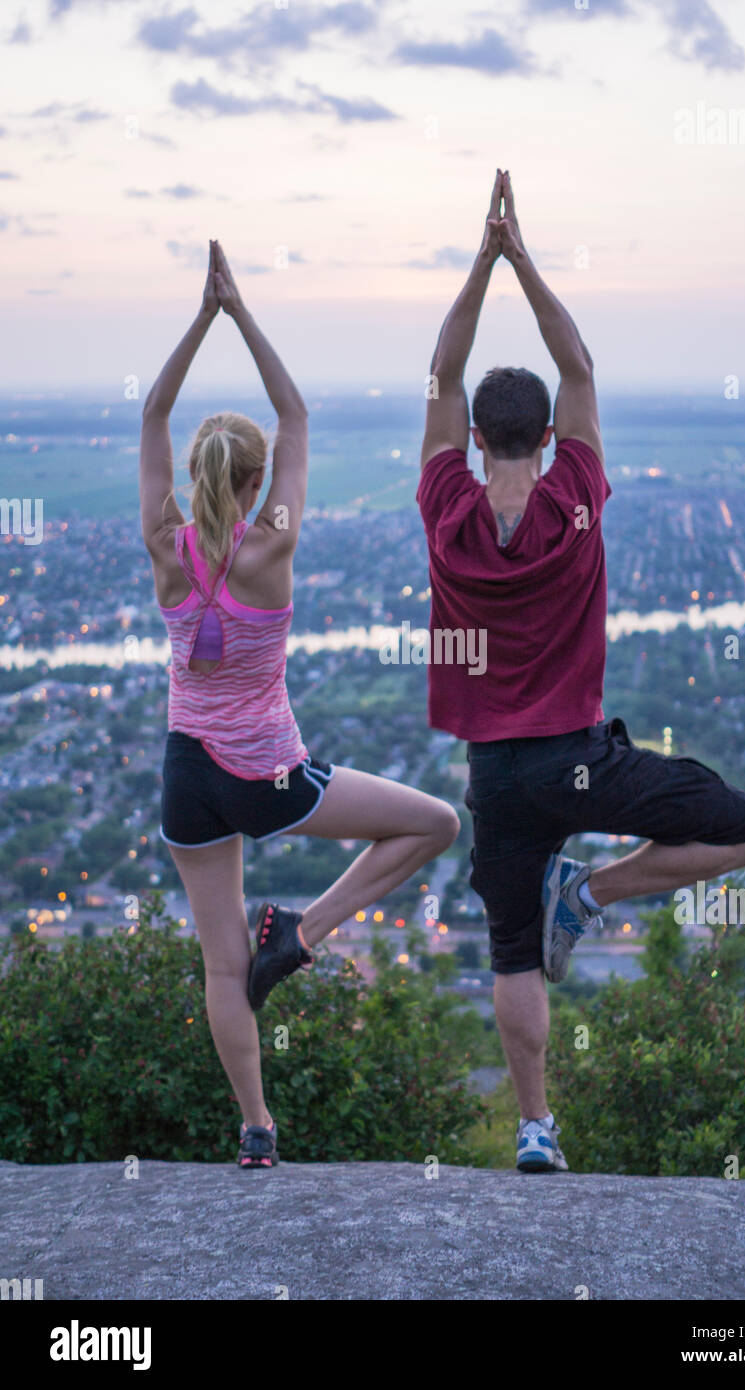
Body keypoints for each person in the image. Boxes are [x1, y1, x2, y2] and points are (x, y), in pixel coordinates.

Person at [416, 172, 745, 1175]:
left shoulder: (445, 511)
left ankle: (535, 1127)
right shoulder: (576, 492)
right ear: (544, 437)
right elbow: (575, 362)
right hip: (580, 760)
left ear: (478, 440)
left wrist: (478, 262)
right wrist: (520, 256)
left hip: (496, 773)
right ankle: (593, 891)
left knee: (509, 952)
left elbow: (438, 375)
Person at [140, 241, 459, 1169]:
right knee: (433, 824)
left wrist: (199, 319)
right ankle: (306, 934)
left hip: (186, 779)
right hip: (271, 776)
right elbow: (297, 413)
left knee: (220, 965)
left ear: (196, 475)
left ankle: (256, 1128)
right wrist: (239, 312)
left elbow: (156, 409)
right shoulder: (267, 550)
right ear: (251, 486)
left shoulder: (165, 545)